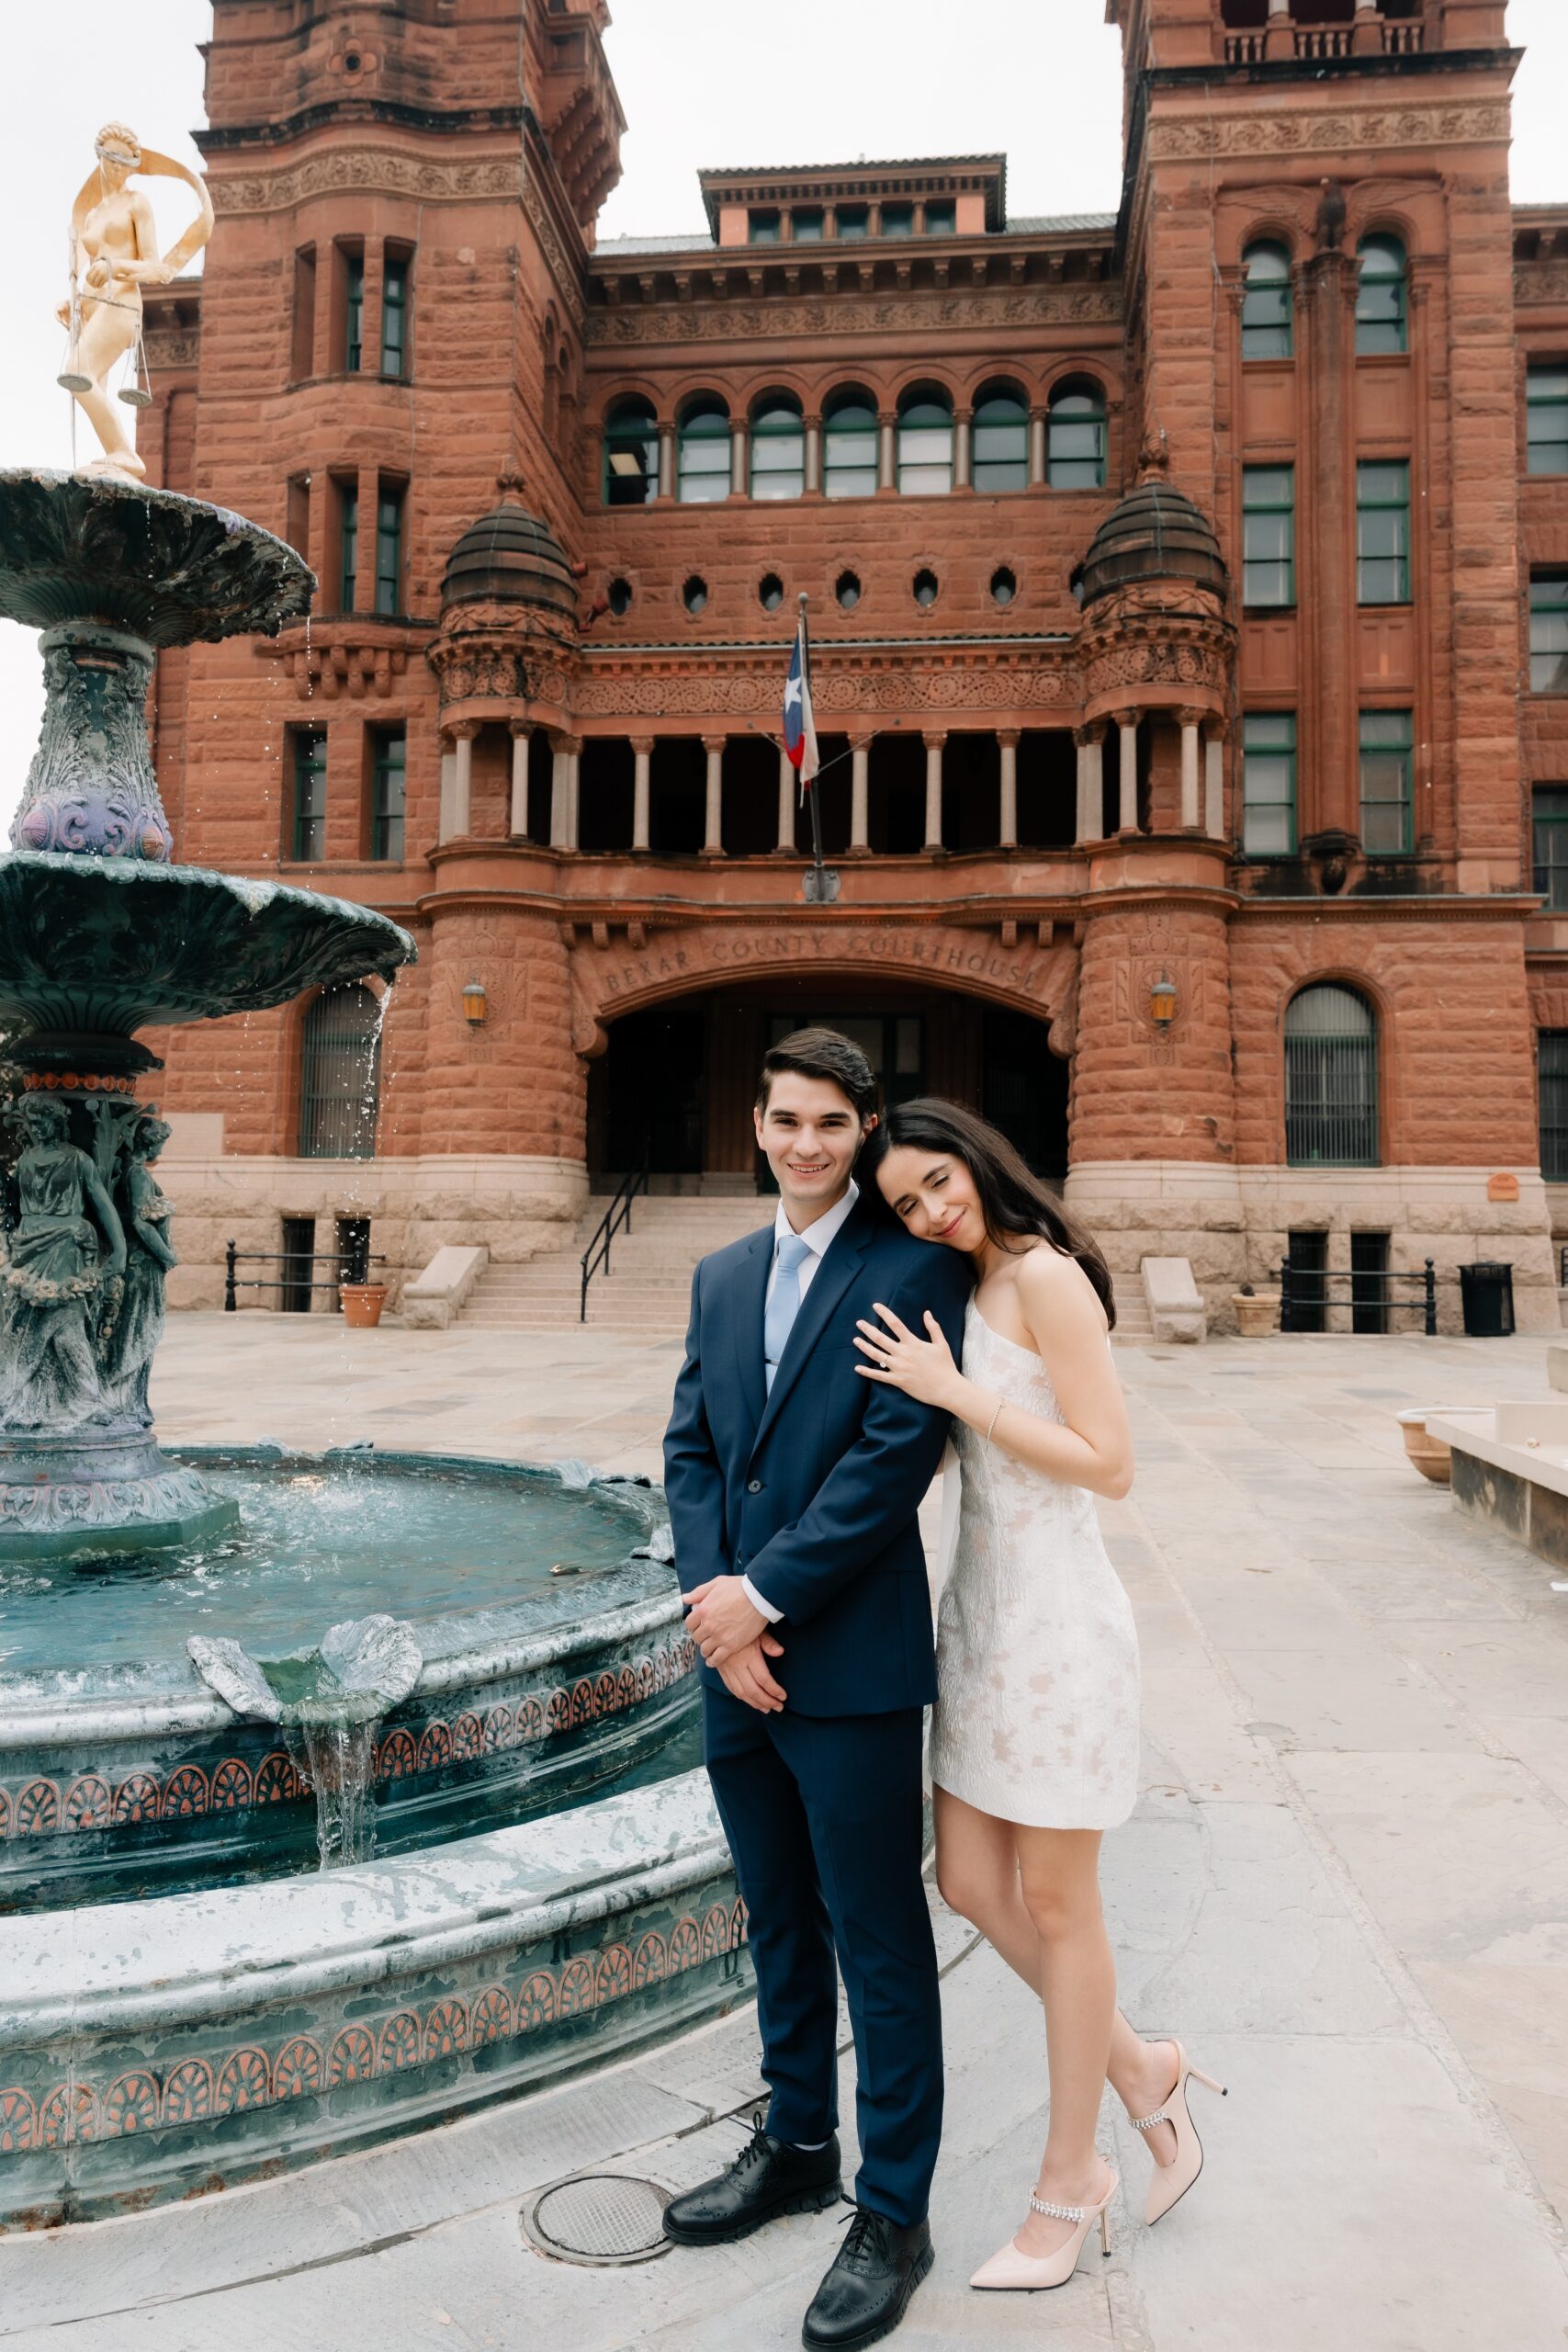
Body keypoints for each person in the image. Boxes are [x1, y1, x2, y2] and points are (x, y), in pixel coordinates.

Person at [855, 1098, 1225, 2293]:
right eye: (905, 1203)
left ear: (975, 1152)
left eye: (936, 1181)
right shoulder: (959, 1284)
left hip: (1059, 1630)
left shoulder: (1046, 1278)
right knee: (966, 1879)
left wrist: (957, 1393)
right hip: (979, 1624)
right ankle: (1143, 2066)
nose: (929, 1208)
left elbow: (1110, 1464)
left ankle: (1073, 2183)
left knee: (1064, 1908)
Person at [662, 1029, 971, 2351]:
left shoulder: (912, 1268)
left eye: (831, 1125)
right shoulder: (721, 1274)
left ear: (864, 1129)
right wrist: (718, 1617)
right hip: (737, 1666)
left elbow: (891, 1462)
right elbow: (689, 1449)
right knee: (776, 1920)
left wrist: (765, 1599)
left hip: (846, 1664)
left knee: (878, 1942)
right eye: (786, 1120)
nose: (804, 1144)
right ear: (758, 1122)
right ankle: (796, 2144)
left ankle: (894, 2211)